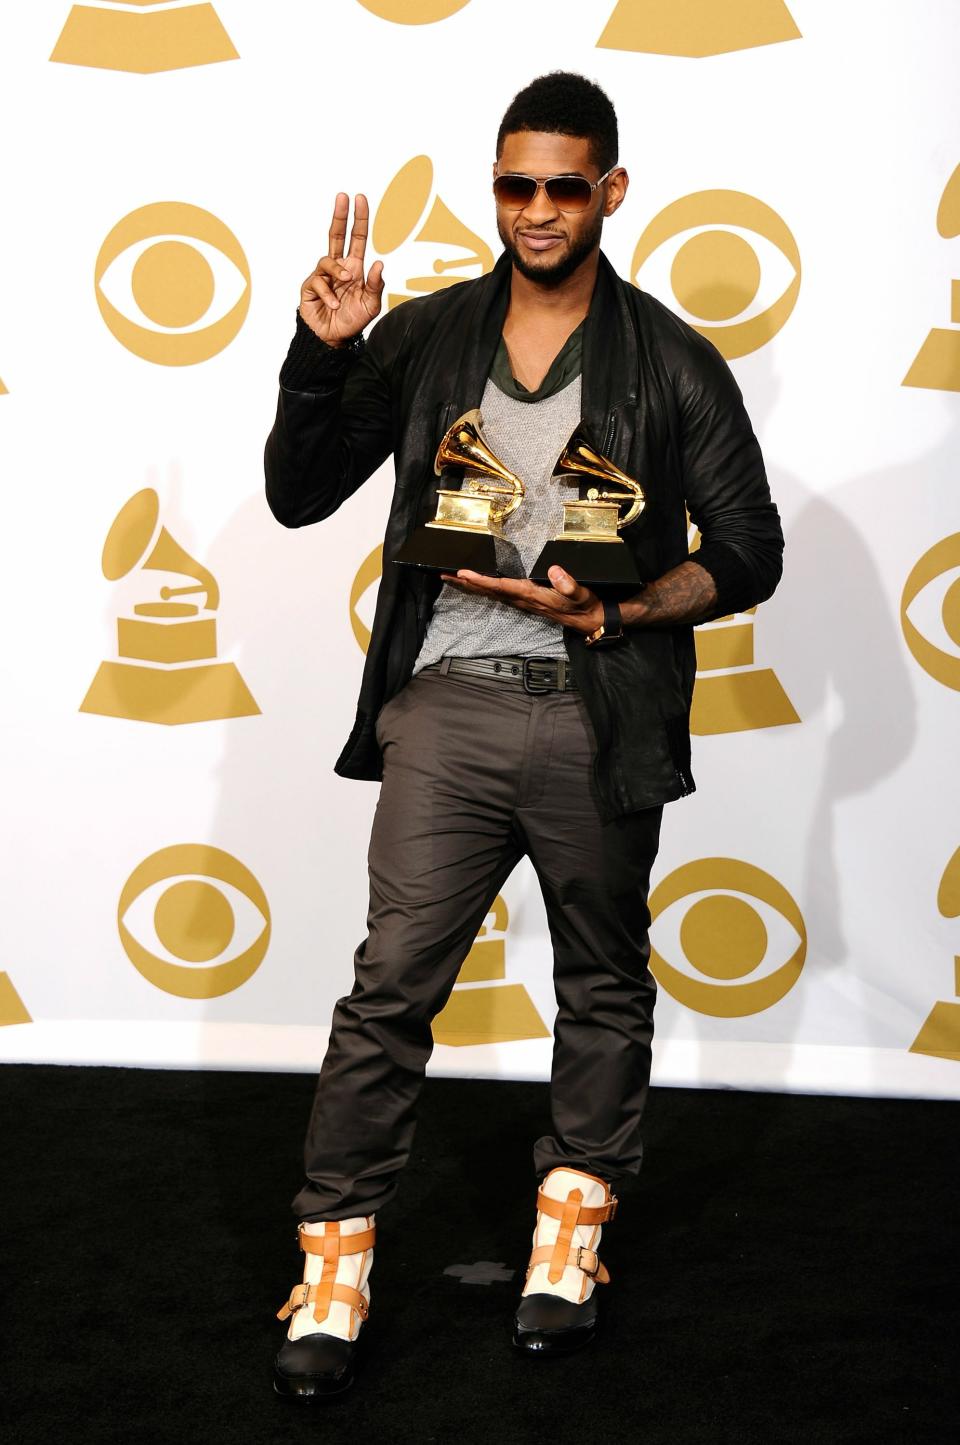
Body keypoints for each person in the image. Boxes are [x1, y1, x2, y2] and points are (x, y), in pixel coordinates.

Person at [264, 71, 783, 1400]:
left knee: (601, 980)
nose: (538, 210)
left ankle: (572, 1228)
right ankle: (336, 1258)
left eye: (565, 185)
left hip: (600, 712)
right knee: (390, 990)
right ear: (493, 190)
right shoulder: (430, 334)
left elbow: (747, 551)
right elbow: (296, 490)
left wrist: (614, 610)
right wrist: (324, 349)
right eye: (515, 185)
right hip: (447, 703)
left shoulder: (670, 358)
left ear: (610, 191)